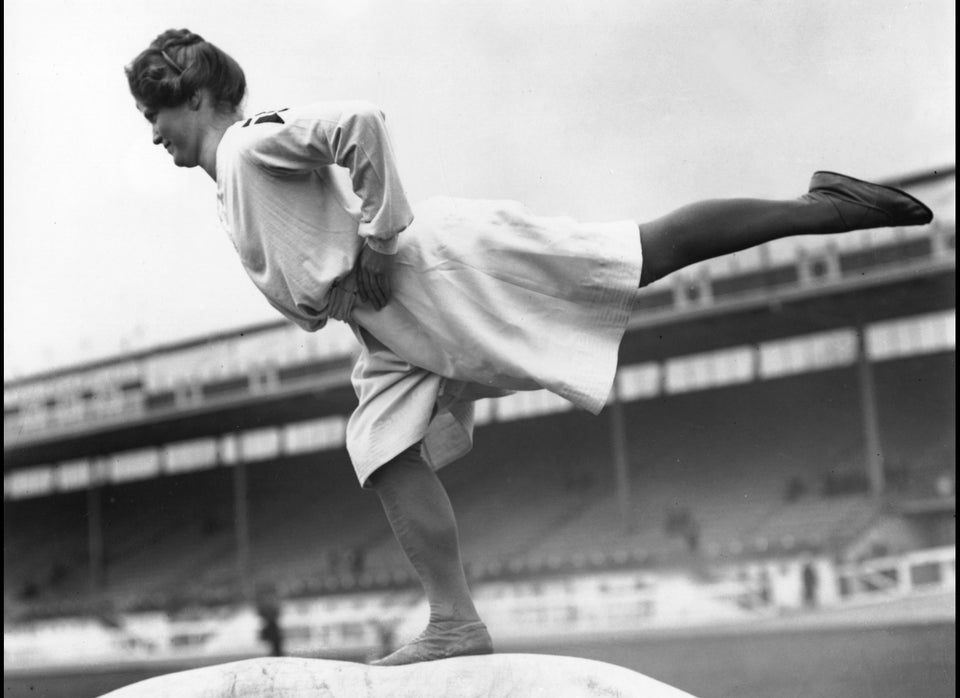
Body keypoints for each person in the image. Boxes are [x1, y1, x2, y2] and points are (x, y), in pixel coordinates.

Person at [125, 29, 934, 665]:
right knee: (379, 448)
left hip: (431, 267)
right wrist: (343, 280)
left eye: (154, 114)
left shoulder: (245, 145)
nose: (153, 134)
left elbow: (360, 124)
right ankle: (453, 621)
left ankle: (823, 207)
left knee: (636, 254)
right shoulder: (231, 181)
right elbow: (306, 272)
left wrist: (373, 239)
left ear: (193, 97)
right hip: (391, 324)